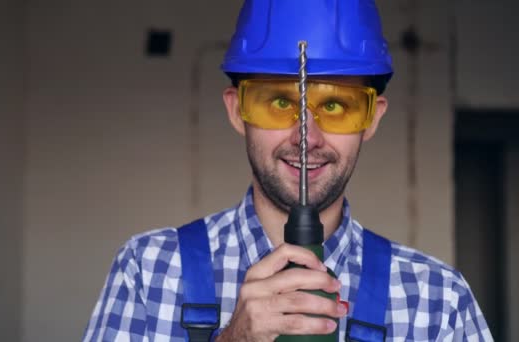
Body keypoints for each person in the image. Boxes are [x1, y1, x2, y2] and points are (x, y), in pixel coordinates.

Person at [82, 0, 492, 341]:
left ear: (371, 119)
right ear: (236, 110)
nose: (305, 137)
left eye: (335, 105)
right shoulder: (148, 269)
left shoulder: (438, 300)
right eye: (279, 103)